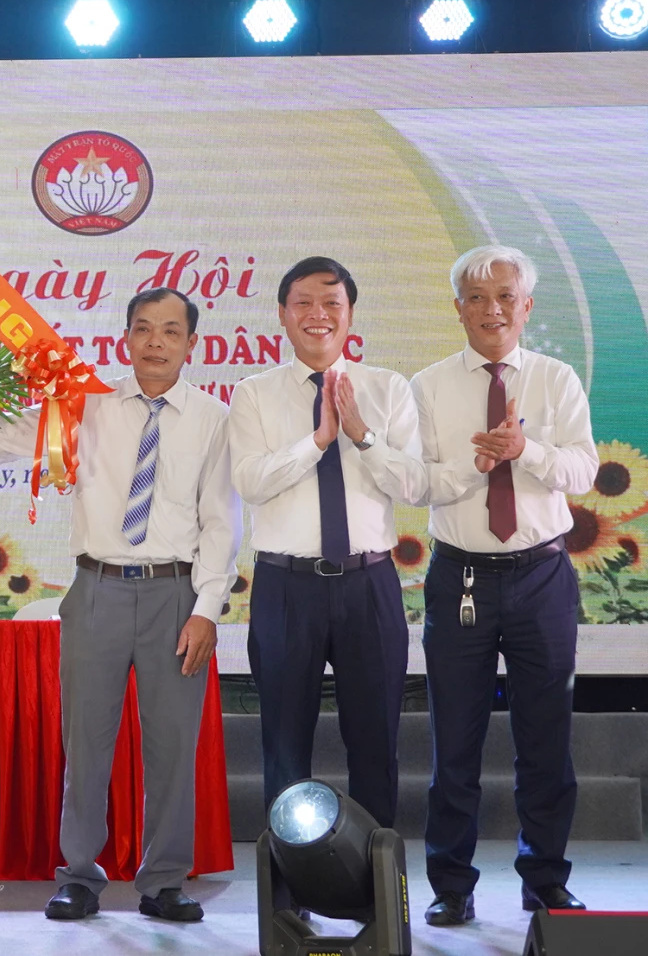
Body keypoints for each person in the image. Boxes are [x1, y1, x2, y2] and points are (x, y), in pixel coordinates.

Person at [0, 288, 239, 924]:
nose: (155, 343)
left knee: (172, 743)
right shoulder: (84, 406)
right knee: (86, 740)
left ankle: (165, 881)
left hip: (177, 594)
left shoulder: (212, 418)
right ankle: (79, 876)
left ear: (191, 344)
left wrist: (206, 607)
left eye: (171, 332)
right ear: (124, 338)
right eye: (143, 329)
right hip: (96, 590)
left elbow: (221, 521)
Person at [411, 246, 595, 925]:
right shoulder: (427, 386)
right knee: (453, 744)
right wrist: (473, 463)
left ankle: (545, 879)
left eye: (506, 296)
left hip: (542, 576)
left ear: (528, 306)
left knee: (545, 740)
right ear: (457, 307)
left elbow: (582, 469)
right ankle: (450, 887)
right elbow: (418, 481)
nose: (493, 309)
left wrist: (526, 452)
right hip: (458, 574)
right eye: (477, 297)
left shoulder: (555, 379)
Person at [227, 257, 424, 832]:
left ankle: (378, 894)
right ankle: (289, 900)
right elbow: (250, 481)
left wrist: (360, 435)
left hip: (371, 585)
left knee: (375, 745)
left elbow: (412, 485)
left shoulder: (387, 388)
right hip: (287, 588)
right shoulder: (254, 394)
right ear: (283, 316)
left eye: (332, 303)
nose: (319, 315)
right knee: (285, 750)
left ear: (351, 315)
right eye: (304, 304)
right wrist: (317, 441)